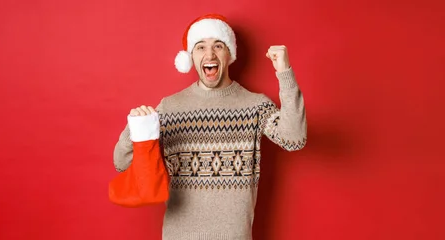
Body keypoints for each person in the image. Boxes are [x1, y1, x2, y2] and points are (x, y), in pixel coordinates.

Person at [112, 13, 307, 240]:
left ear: (229, 54)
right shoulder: (169, 107)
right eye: (200, 47)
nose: (209, 54)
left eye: (218, 45)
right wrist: (134, 127)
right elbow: (121, 163)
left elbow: (294, 139)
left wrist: (285, 73)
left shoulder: (255, 106)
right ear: (191, 57)